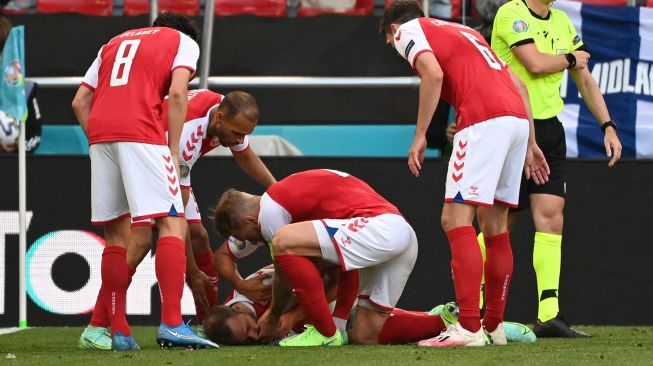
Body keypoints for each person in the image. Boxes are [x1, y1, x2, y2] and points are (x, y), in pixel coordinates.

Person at [380, 1, 548, 347]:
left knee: (455, 219)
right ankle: (494, 326)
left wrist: (420, 134)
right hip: (515, 120)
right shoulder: (468, 31)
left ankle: (469, 327)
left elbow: (433, 74)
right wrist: (531, 142)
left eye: (389, 42)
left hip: (484, 121)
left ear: (393, 29)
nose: (395, 49)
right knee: (495, 226)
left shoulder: (409, 30)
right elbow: (519, 85)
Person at [77, 89, 276, 349]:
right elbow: (176, 215)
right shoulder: (186, 136)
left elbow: (245, 154)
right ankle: (96, 325)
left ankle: (205, 325)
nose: (240, 139)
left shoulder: (224, 112)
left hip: (163, 161)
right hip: (146, 162)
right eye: (237, 133)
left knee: (200, 238)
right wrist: (192, 272)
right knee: (139, 244)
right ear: (220, 119)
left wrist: (277, 189)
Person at [71, 12, 216, 350]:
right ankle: (172, 323)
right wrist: (172, 152)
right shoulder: (184, 42)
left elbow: (79, 101)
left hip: (101, 135)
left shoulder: (113, 42)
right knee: (172, 223)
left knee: (117, 237)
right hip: (142, 134)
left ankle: (118, 332)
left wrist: (100, 143)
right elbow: (178, 94)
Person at [489, 0, 622, 338]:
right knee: (502, 220)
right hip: (511, 126)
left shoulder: (562, 21)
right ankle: (475, 308)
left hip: (548, 130)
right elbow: (533, 63)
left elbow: (585, 78)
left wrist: (607, 124)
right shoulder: (512, 14)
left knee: (552, 215)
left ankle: (549, 315)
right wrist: (569, 58)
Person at [212, 169, 463, 347]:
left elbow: (285, 277)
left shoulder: (270, 216)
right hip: (397, 235)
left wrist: (280, 316)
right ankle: (460, 320)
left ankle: (326, 333)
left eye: (246, 235)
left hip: (380, 228)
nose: (253, 243)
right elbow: (342, 269)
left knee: (282, 243)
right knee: (364, 335)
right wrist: (340, 320)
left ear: (248, 220)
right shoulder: (290, 208)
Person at [0, 17, 41, 153]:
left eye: (3, 52)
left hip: (15, 166)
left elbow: (34, 137)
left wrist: (17, 148)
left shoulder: (26, 90)